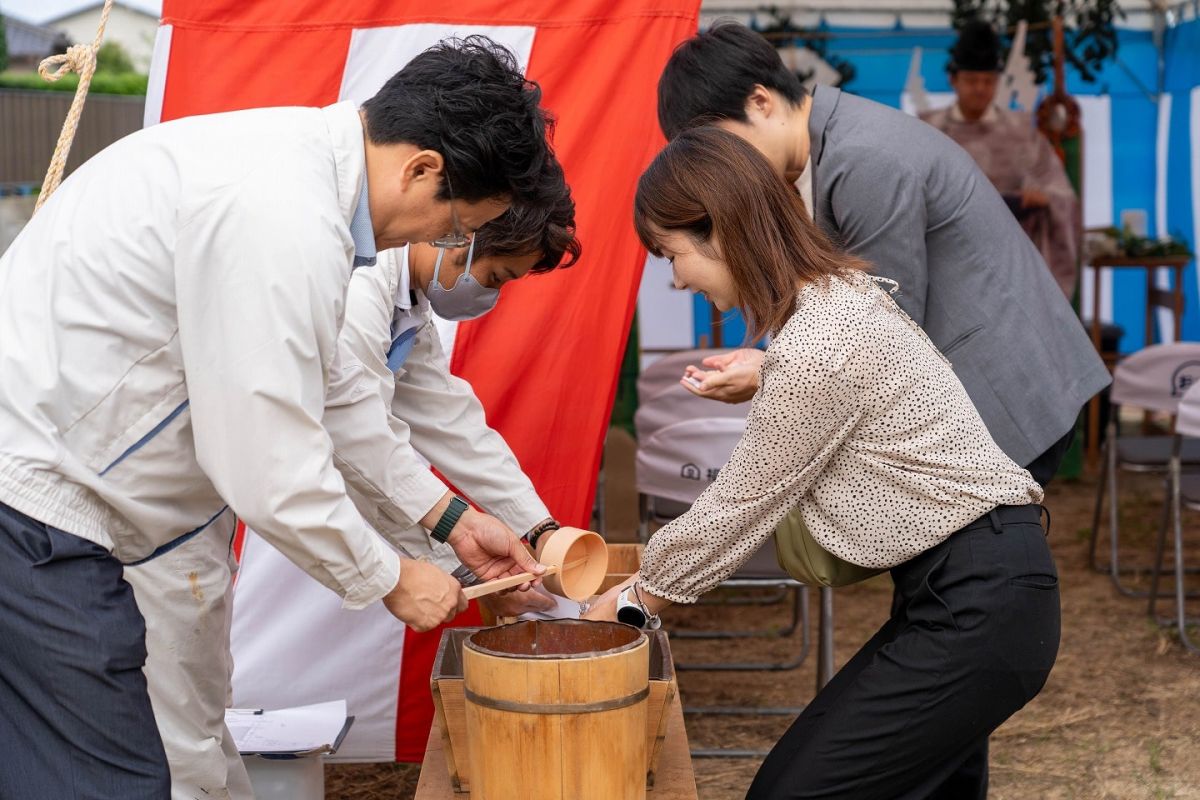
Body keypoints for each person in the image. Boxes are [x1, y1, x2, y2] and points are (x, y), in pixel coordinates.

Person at [0, 36, 553, 798]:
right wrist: (392, 576)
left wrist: (459, 527)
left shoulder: (298, 182)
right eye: (456, 227)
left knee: (121, 758)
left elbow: (336, 403)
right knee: (120, 775)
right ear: (423, 168)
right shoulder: (286, 217)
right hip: (41, 507)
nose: (439, 243)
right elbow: (271, 458)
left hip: (106, 503)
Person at [587, 125, 1060, 799]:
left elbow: (740, 505)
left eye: (670, 253)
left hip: (982, 606)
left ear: (718, 230)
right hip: (973, 594)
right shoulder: (833, 304)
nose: (676, 278)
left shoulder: (819, 343)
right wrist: (768, 372)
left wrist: (633, 599)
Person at [127, 185, 582, 799]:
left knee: (201, 698)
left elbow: (451, 421)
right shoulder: (357, 279)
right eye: (494, 274)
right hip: (154, 494)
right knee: (182, 724)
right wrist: (450, 541)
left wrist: (538, 530)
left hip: (199, 501)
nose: (490, 295)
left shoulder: (407, 304)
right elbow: (354, 435)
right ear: (464, 228)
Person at [656, 22, 1109, 486]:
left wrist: (771, 373)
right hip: (977, 394)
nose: (724, 169)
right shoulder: (830, 146)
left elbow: (883, 337)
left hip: (1004, 392)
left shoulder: (862, 158)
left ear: (760, 102)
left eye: (723, 147)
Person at [920, 19, 1082, 298]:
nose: (980, 89)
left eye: (988, 81)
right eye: (971, 80)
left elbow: (1062, 196)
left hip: (1012, 266)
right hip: (945, 263)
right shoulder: (928, 130)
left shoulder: (1021, 132)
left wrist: (1039, 198)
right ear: (953, 80)